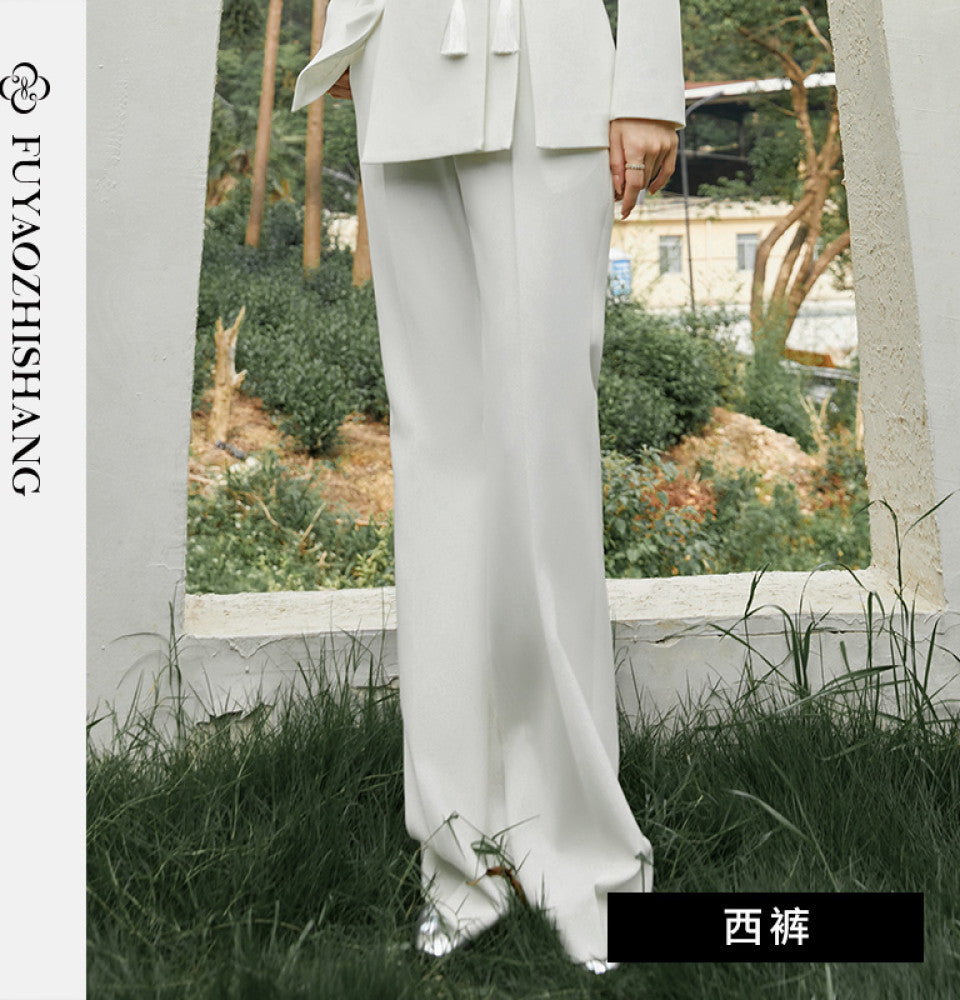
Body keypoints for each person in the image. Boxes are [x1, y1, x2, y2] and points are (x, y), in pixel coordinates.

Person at [291, 0, 685, 975]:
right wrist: (341, 30)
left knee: (543, 472)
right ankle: (459, 856)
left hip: (548, 70)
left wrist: (646, 86)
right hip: (399, 65)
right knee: (436, 466)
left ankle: (583, 861)